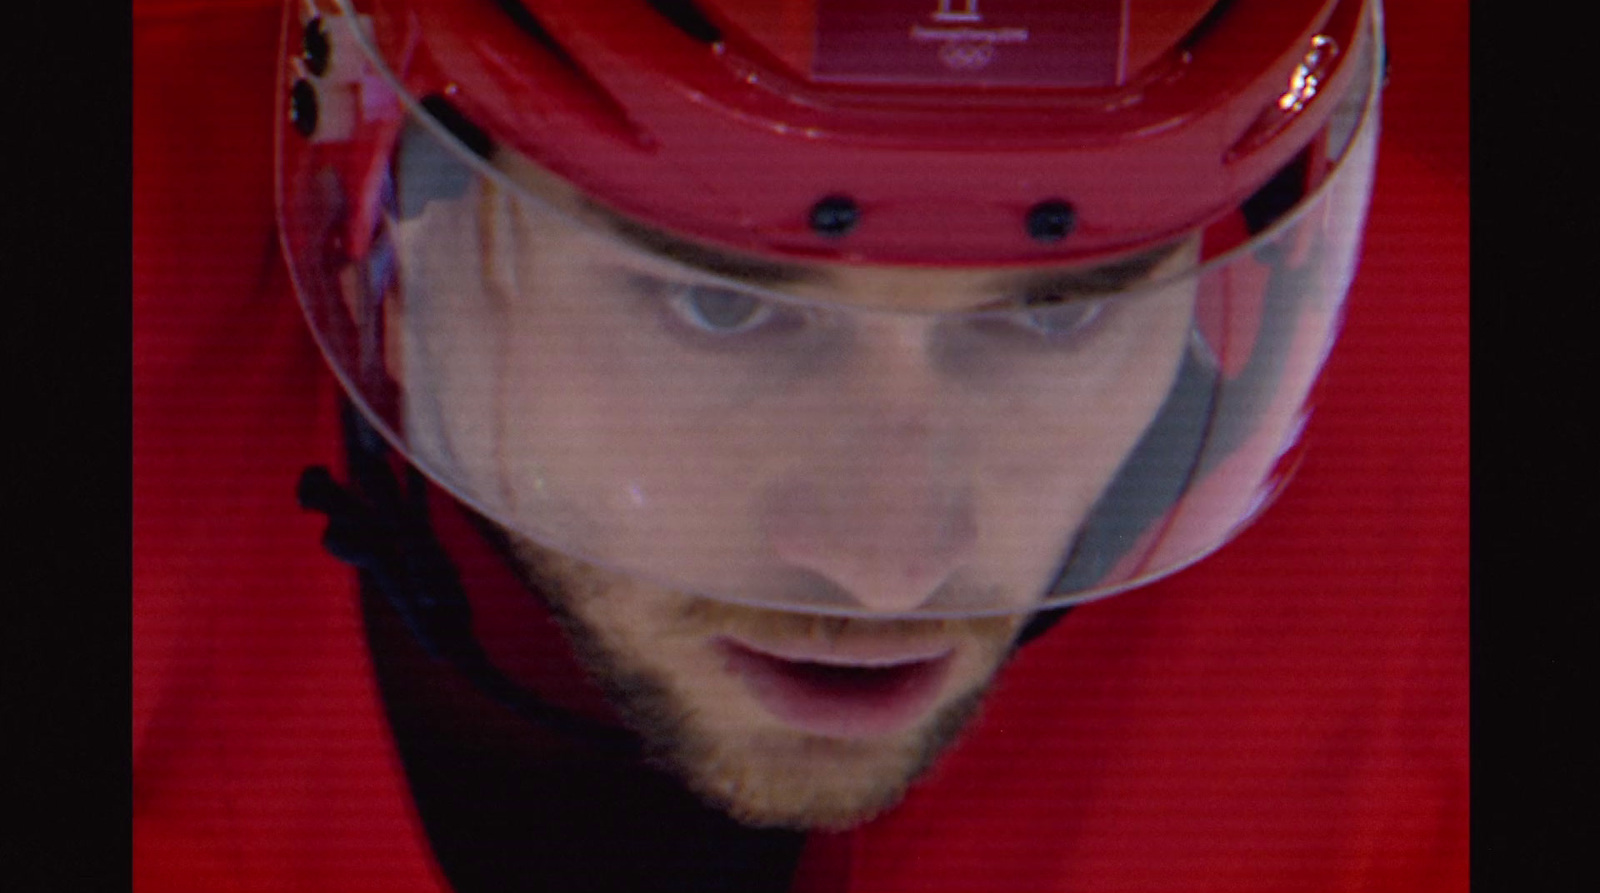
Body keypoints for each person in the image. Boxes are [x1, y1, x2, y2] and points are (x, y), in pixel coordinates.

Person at [134, 0, 1467, 890]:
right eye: (721, 306)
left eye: (1059, 317)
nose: (885, 569)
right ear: (386, 193)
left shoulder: (1443, 536)